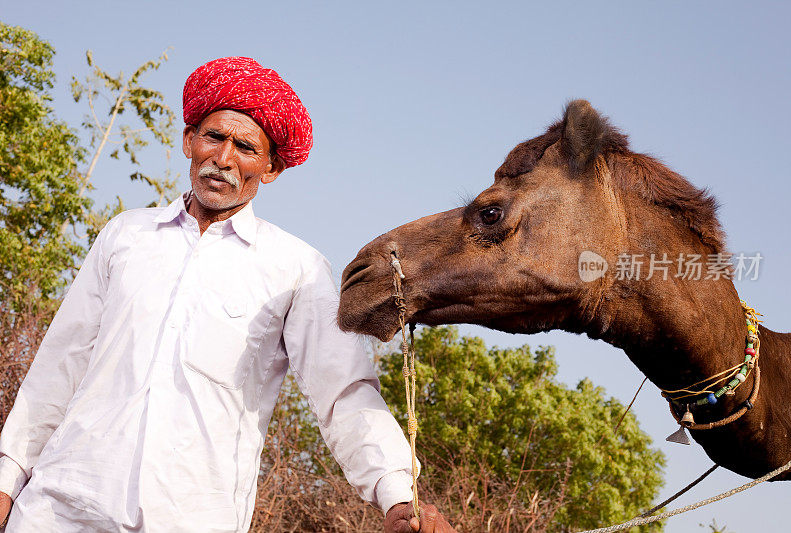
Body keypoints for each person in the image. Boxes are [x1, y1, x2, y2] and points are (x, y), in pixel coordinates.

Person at [0, 57, 454, 533]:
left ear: (272, 167)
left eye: (245, 147)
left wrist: (397, 495)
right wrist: (9, 477)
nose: (223, 158)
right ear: (188, 140)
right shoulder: (125, 235)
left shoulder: (295, 268)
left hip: (191, 518)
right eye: (214, 137)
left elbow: (342, 392)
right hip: (60, 508)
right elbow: (61, 362)